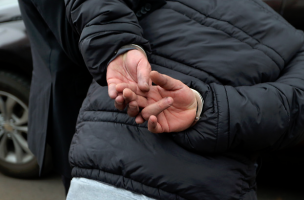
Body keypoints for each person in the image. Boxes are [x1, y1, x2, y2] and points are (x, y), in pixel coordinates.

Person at [19, 0, 304, 199]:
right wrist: (118, 47)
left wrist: (205, 109)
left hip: (109, 141)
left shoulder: (289, 42)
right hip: (91, 126)